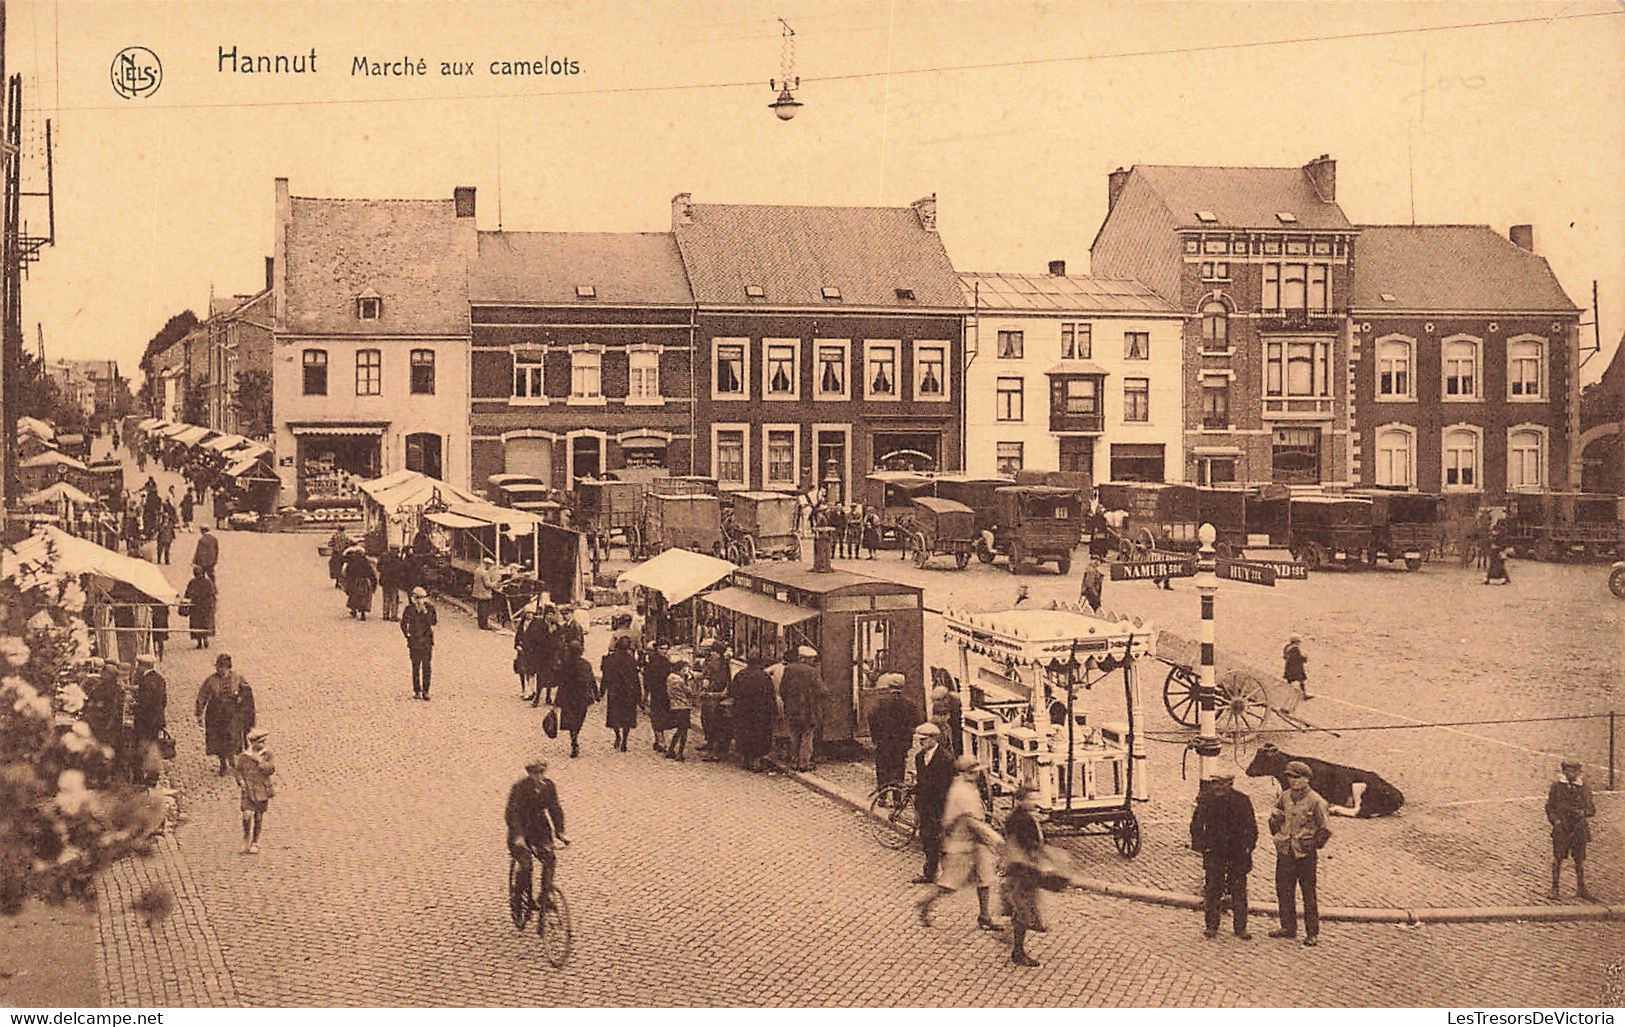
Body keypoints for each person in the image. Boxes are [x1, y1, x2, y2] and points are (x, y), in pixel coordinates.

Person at [916, 755, 1004, 931]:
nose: (977, 776)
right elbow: (972, 823)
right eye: (973, 773)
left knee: (984, 879)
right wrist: (995, 839)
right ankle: (925, 903)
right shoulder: (962, 792)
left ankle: (985, 916)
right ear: (965, 773)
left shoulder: (966, 786)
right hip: (962, 845)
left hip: (976, 844)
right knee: (949, 885)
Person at [1268, 760, 1330, 946]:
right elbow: (1275, 816)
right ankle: (1288, 927)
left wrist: (1311, 845)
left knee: (1308, 893)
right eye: (1290, 777)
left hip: (1304, 854)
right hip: (1285, 851)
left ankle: (1312, 932)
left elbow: (1325, 829)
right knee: (1284, 890)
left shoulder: (1317, 801)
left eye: (1297, 778)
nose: (1293, 781)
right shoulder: (1285, 796)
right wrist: (1278, 834)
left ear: (1307, 779)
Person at [1190, 772, 1258, 940]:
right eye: (1214, 784)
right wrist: (1202, 847)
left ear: (1230, 784)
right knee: (1213, 888)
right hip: (1214, 851)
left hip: (1237, 852)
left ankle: (1240, 927)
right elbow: (1196, 825)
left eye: (1221, 784)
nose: (1217, 788)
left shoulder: (1242, 801)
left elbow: (1251, 827)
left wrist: (1248, 848)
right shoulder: (1206, 800)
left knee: (1239, 890)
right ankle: (1211, 926)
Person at [506, 758, 567, 910]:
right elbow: (511, 813)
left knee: (549, 858)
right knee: (526, 866)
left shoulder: (549, 786)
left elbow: (555, 809)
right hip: (520, 830)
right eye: (535, 773)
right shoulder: (519, 788)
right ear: (529, 773)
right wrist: (519, 836)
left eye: (542, 772)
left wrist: (560, 832)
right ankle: (518, 896)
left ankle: (544, 895)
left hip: (540, 830)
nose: (539, 776)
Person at [1002, 787, 1049, 966]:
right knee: (1022, 907)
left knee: (1024, 904)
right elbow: (1023, 845)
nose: (1034, 802)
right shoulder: (1019, 820)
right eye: (1031, 798)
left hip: (1023, 867)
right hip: (1022, 868)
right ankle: (1018, 952)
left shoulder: (1023, 817)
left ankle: (1023, 928)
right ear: (1020, 800)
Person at [195, 654, 255, 776]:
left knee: (233, 738)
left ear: (228, 667)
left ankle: (232, 759)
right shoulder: (211, 680)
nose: (220, 670)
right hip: (215, 714)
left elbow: (247, 693)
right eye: (218, 667)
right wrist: (199, 713)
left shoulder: (237, 678)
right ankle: (223, 763)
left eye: (222, 667)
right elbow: (202, 696)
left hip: (232, 713)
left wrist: (242, 703)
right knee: (218, 739)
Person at [911, 722, 956, 885]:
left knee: (942, 840)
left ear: (933, 739)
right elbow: (922, 781)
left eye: (923, 739)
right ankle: (929, 873)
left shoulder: (945, 759)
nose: (920, 743)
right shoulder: (919, 757)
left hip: (939, 806)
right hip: (925, 805)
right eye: (919, 740)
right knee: (927, 839)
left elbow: (948, 785)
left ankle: (947, 875)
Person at [1546, 758, 1596, 900]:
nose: (1572, 773)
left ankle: (1581, 888)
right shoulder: (1557, 787)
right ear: (1563, 771)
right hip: (1562, 828)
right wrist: (1555, 821)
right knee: (1558, 858)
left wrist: (1584, 813)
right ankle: (1554, 888)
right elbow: (1550, 807)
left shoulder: (1584, 787)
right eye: (1568, 770)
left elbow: (1592, 808)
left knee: (1579, 860)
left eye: (1575, 771)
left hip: (1579, 828)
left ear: (1579, 772)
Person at [779, 646, 825, 772]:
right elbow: (822, 690)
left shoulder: (789, 669)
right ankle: (804, 763)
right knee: (807, 736)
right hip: (808, 711)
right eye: (811, 659)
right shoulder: (813, 672)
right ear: (805, 659)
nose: (813, 661)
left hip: (792, 709)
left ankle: (793, 762)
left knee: (794, 736)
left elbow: (782, 689)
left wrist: (788, 702)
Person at [869, 673, 916, 788]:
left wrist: (875, 738)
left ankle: (882, 797)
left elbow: (872, 718)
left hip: (883, 742)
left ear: (889, 686)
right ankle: (897, 798)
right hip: (901, 743)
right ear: (903, 686)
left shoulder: (880, 702)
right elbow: (915, 722)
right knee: (898, 769)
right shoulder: (909, 703)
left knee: (883, 769)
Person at [731, 655, 777, 772]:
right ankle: (756, 761)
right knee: (759, 734)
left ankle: (746, 759)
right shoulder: (764, 676)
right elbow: (770, 695)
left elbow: (733, 692)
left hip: (743, 710)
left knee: (744, 733)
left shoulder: (740, 675)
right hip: (760, 711)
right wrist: (773, 711)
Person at [234, 727, 276, 855]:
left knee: (258, 816)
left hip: (262, 789)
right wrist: (240, 781)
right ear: (253, 743)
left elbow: (271, 769)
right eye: (260, 742)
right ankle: (246, 837)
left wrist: (260, 763)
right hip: (248, 790)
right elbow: (238, 771)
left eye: (264, 742)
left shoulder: (267, 754)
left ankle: (255, 842)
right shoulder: (244, 756)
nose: (262, 745)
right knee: (247, 815)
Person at [555, 637, 597, 758]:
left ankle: (573, 738)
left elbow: (560, 681)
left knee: (571, 718)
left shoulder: (565, 664)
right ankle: (575, 736)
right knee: (579, 718)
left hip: (568, 696)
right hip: (582, 696)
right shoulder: (585, 664)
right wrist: (596, 693)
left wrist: (557, 699)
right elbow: (591, 680)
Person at [129, 654, 167, 787]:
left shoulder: (145, 681)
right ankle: (153, 776)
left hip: (145, 721)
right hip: (156, 720)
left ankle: (143, 778)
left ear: (144, 666)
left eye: (139, 665)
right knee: (153, 748)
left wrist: (134, 708)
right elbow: (163, 701)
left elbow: (145, 703)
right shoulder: (159, 679)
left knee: (142, 748)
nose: (137, 668)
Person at [602, 635, 641, 752]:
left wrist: (602, 691)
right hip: (628, 693)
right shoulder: (631, 660)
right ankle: (625, 739)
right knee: (627, 718)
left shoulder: (610, 659)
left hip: (615, 692)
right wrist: (639, 696)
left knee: (615, 716)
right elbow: (636, 679)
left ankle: (617, 735)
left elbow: (605, 677)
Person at [400, 586, 438, 700]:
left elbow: (434, 622)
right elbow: (403, 624)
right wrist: (407, 635)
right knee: (415, 666)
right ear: (413, 598)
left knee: (427, 666)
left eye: (422, 598)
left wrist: (426, 613)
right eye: (418, 598)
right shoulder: (409, 609)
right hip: (415, 641)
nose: (420, 601)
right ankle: (417, 690)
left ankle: (426, 691)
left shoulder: (430, 608)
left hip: (426, 641)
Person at [699, 641, 734, 761]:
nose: (711, 653)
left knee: (713, 723)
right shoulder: (716, 664)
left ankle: (714, 750)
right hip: (710, 697)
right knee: (706, 720)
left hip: (715, 698)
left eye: (713, 651)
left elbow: (721, 682)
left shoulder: (720, 665)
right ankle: (709, 744)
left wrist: (709, 689)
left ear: (718, 654)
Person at [643, 639, 674, 753]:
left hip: (663, 693)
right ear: (657, 649)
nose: (664, 651)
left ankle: (659, 740)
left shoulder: (666, 662)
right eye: (662, 648)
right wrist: (647, 694)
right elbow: (648, 680)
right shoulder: (654, 662)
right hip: (657, 692)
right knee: (657, 716)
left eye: (666, 649)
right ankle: (661, 741)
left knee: (658, 716)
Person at [664, 660, 697, 761]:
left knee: (679, 730)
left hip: (674, 706)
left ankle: (671, 749)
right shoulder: (680, 680)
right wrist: (688, 680)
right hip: (683, 707)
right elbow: (690, 692)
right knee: (684, 731)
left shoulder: (670, 677)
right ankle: (680, 753)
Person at [183, 566, 217, 649]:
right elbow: (212, 594)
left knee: (197, 624)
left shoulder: (193, 582)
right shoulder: (207, 582)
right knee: (203, 623)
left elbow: (187, 594)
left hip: (197, 607)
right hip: (203, 607)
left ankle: (201, 641)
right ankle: (203, 640)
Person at [343, 546, 378, 621]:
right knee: (364, 598)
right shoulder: (366, 562)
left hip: (356, 582)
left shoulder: (352, 563)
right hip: (365, 582)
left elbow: (348, 573)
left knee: (354, 596)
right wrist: (374, 584)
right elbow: (371, 573)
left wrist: (348, 584)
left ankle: (354, 610)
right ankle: (363, 613)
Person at [930, 683, 963, 757]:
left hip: (957, 722)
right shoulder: (938, 704)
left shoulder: (956, 700)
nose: (939, 703)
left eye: (939, 700)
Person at [472, 557, 501, 629]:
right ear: (487, 564)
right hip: (484, 594)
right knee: (484, 610)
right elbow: (488, 585)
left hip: (478, 592)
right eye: (490, 565)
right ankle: (484, 625)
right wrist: (496, 583)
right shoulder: (484, 573)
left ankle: (480, 624)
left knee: (480, 609)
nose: (490, 567)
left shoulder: (477, 570)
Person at [378, 547, 404, 622]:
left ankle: (385, 615)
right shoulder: (397, 559)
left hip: (385, 581)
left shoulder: (383, 558)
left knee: (386, 598)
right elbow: (401, 569)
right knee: (394, 598)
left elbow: (378, 568)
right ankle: (393, 616)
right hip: (394, 581)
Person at [1282, 635, 1310, 700]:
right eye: (1298, 641)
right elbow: (1297, 658)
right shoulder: (1295, 649)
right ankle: (1304, 695)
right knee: (1301, 681)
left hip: (1289, 667)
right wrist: (1304, 658)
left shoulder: (1287, 647)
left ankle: (1287, 694)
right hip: (1296, 668)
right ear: (1295, 641)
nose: (1299, 643)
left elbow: (1285, 656)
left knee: (1289, 680)